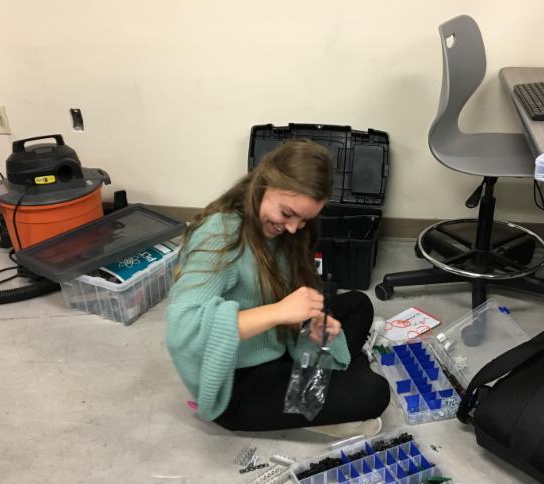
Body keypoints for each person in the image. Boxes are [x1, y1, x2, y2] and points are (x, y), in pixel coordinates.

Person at [166, 139, 390, 433]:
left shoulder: (286, 232)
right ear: (263, 185)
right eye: (287, 214)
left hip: (278, 345)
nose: (294, 228)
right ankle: (338, 382)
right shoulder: (220, 235)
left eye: (304, 220)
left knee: (359, 304)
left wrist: (309, 325)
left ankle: (331, 382)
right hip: (237, 384)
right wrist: (279, 312)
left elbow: (281, 300)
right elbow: (182, 329)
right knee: (375, 391)